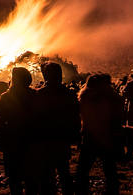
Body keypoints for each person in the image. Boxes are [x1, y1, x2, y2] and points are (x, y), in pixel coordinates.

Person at [34, 62, 79, 195]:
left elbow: (35, 117)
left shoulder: (40, 94)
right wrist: (74, 135)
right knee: (64, 170)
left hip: (45, 138)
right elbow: (75, 117)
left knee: (47, 171)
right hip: (63, 138)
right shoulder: (69, 94)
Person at [75, 73, 124, 195]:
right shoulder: (112, 100)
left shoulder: (84, 98)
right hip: (107, 137)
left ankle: (81, 191)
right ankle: (113, 191)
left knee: (82, 171)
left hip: (90, 137)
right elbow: (119, 117)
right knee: (110, 169)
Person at [0, 67, 39, 195]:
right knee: (32, 177)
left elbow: (0, 121)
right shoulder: (35, 95)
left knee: (14, 177)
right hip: (31, 140)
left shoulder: (6, 97)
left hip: (12, 140)